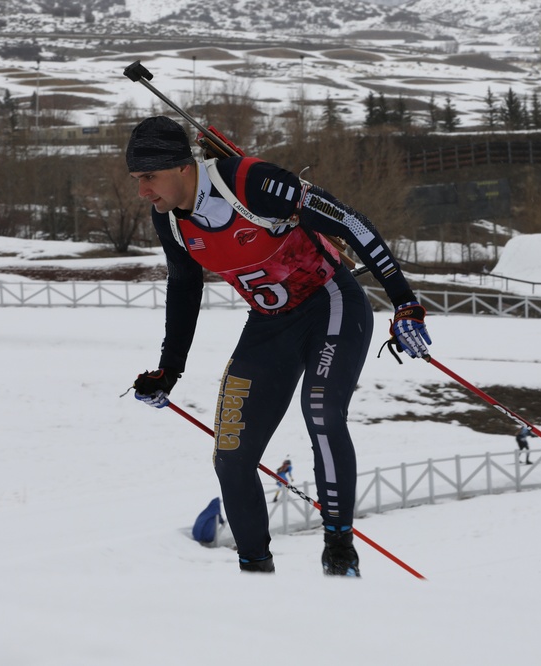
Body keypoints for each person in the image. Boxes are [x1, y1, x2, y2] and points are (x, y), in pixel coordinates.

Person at [127, 116, 431, 577]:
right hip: (269, 324)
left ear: (183, 166)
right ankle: (256, 577)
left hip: (330, 303)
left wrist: (405, 302)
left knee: (322, 412)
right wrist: (169, 370)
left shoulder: (249, 182)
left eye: (149, 176)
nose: (142, 191)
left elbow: (350, 222)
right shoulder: (168, 218)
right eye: (137, 178)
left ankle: (339, 552)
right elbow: (184, 289)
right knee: (230, 455)